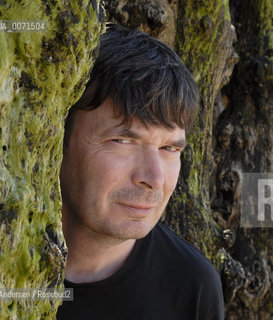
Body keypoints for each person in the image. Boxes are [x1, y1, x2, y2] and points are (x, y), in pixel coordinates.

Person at [56, 24, 224, 320]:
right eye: (123, 141)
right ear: (55, 140)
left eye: (169, 149)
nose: (154, 179)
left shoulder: (191, 287)